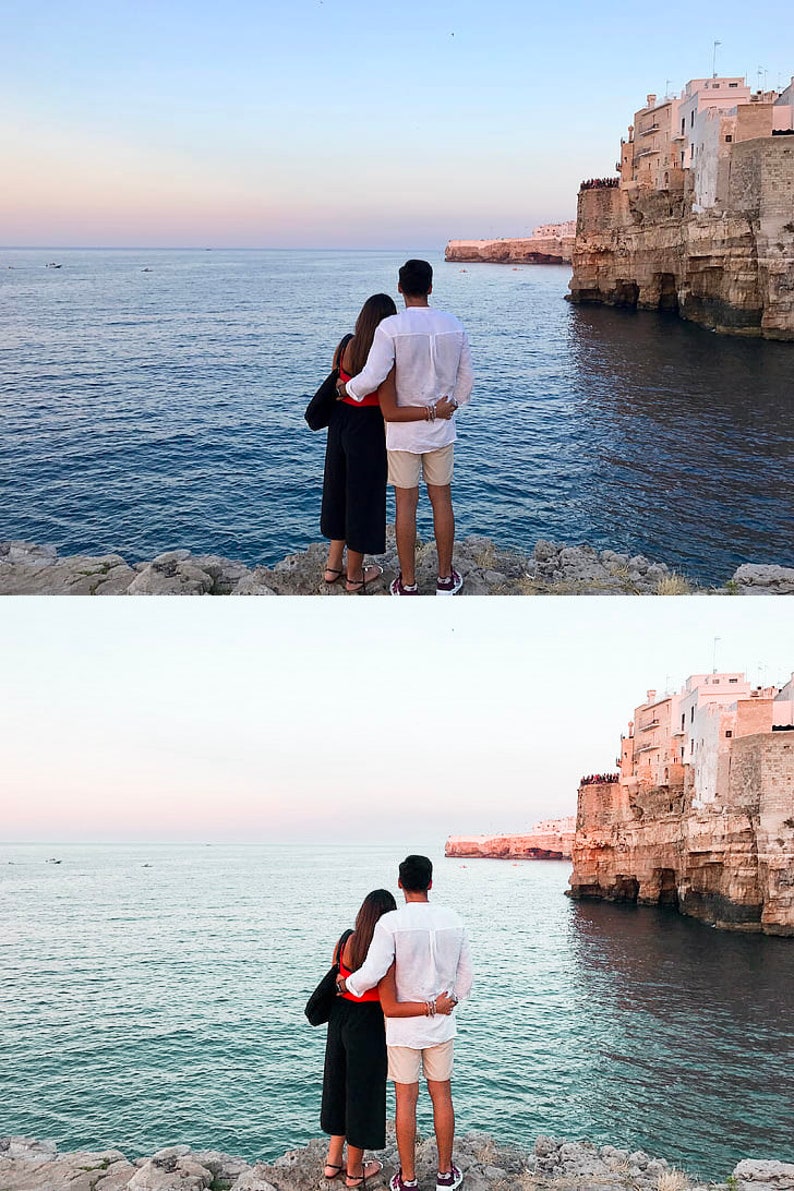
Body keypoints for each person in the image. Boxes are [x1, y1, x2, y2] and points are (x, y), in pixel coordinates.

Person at [336, 261, 474, 596]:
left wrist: (347, 390)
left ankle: (408, 583)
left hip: (402, 435)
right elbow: (466, 382)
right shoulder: (453, 325)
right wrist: (446, 408)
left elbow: (372, 377)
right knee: (442, 500)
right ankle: (444, 579)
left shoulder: (390, 328)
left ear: (400, 288)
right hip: (441, 431)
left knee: (405, 506)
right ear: (430, 287)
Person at [337, 857, 473, 1191]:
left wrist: (347, 986)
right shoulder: (454, 920)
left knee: (405, 1101)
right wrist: (448, 1003)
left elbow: (373, 971)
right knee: (442, 1096)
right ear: (430, 883)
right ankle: (444, 1174)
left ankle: (408, 1179)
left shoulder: (390, 923)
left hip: (402, 1030)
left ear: (400, 883)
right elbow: (466, 976)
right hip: (440, 1027)